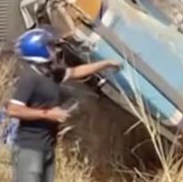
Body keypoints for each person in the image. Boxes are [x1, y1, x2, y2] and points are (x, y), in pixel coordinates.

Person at [6, 27, 121, 182]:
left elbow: (75, 72)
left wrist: (105, 64)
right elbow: (13, 109)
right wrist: (48, 114)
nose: (55, 50)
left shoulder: (50, 73)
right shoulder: (30, 78)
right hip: (30, 148)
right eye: (50, 47)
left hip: (47, 146)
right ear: (39, 51)